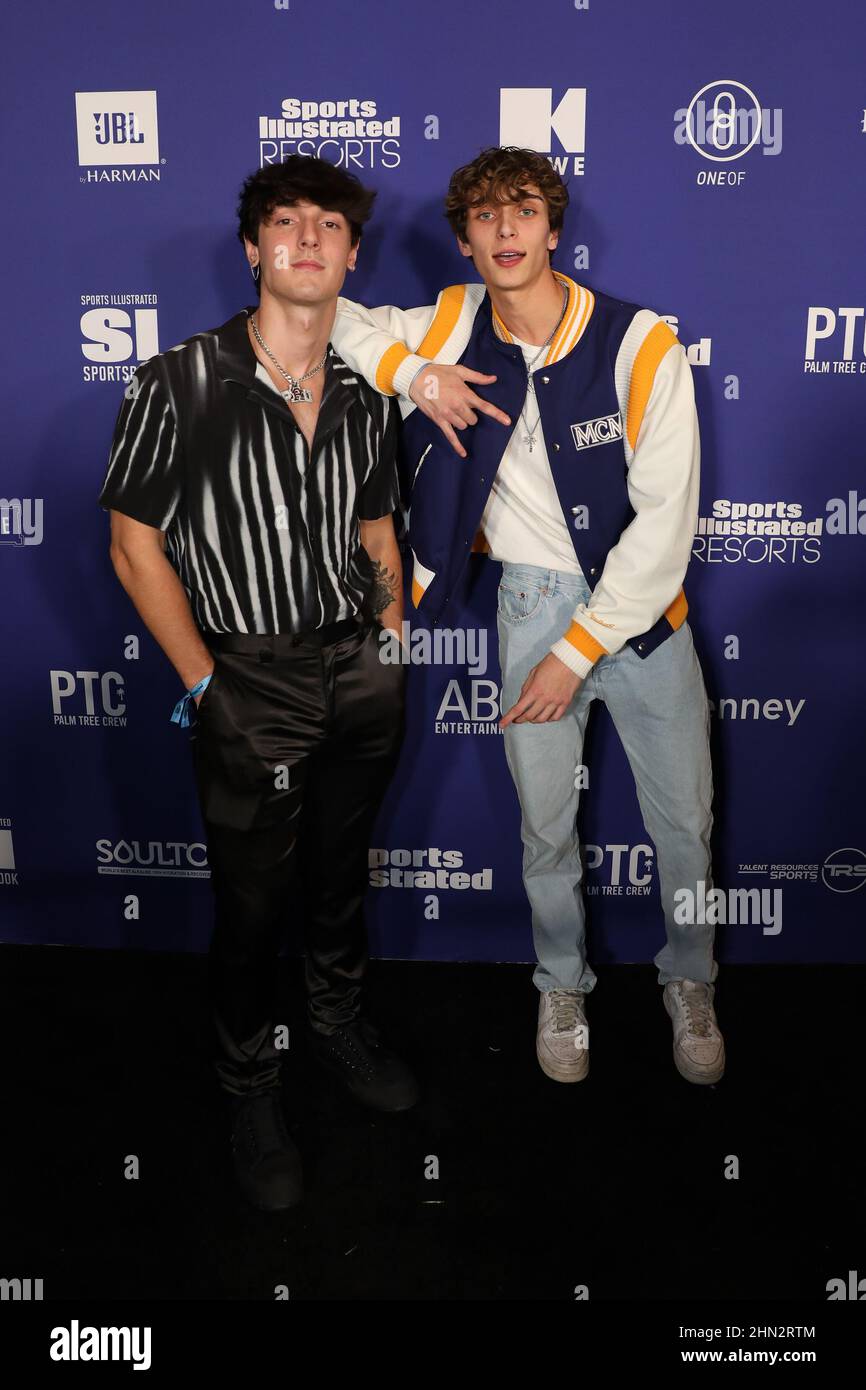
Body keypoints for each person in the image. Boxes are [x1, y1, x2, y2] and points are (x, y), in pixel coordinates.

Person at [329, 145, 724, 1088]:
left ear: (554, 228)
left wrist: (578, 651)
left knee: (686, 823)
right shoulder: (456, 319)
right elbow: (330, 313)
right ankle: (560, 982)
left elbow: (666, 526)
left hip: (640, 613)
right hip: (528, 599)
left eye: (525, 210)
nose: (506, 229)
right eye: (485, 215)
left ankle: (692, 979)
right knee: (544, 824)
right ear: (464, 239)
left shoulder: (640, 343)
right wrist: (411, 375)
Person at [97, 154, 418, 1213]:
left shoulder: (367, 393)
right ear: (253, 249)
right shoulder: (178, 380)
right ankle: (249, 1086)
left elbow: (376, 528)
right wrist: (207, 686)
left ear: (351, 255)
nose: (308, 239)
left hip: (357, 671)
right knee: (251, 909)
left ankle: (334, 1027)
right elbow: (133, 545)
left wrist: (388, 639)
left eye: (329, 225)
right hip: (247, 674)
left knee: (337, 881)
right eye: (286, 222)